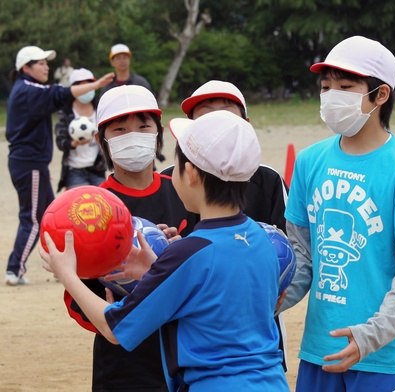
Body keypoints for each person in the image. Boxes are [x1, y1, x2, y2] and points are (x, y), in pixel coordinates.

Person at [40, 109, 290, 392]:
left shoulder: (189, 253)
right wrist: (156, 269)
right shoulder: (263, 240)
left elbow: (115, 328)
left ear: (191, 174)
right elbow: (218, 298)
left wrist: (67, 274)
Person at [278, 35, 395, 391]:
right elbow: (301, 256)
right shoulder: (309, 161)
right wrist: (270, 299)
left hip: (384, 357)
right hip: (321, 351)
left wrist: (369, 336)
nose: (332, 96)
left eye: (346, 87)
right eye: (326, 86)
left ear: (380, 95)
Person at [64, 85, 198, 391]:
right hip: (122, 365)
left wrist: (176, 250)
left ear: (158, 132)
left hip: (185, 356)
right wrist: (112, 314)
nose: (133, 135)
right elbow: (76, 299)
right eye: (120, 129)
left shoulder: (187, 193)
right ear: (101, 140)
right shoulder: (89, 206)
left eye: (143, 126)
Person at [177, 80, 290, 370]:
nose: (217, 121)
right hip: (186, 331)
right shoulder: (174, 179)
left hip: (258, 332)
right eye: (205, 115)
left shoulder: (268, 180)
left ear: (246, 124)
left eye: (227, 113)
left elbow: (289, 256)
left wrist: (268, 303)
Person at [5, 45, 114, 286]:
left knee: (46, 216)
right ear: (26, 68)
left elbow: (56, 95)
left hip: (33, 163)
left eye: (47, 62)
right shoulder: (28, 89)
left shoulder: (30, 89)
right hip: (28, 162)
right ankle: (15, 269)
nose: (47, 66)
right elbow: (60, 94)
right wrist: (95, 86)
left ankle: (59, 266)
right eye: (41, 62)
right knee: (33, 219)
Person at [54, 68, 106, 191]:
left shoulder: (100, 108)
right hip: (74, 170)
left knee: (101, 206)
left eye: (88, 84)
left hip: (97, 168)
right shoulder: (66, 112)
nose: (85, 88)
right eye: (81, 85)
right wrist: (73, 143)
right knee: (79, 207)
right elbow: (60, 142)